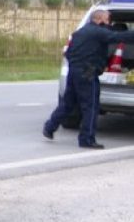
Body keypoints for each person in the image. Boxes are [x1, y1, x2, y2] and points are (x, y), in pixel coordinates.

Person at [43, 9, 134, 149]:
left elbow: (68, 53)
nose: (109, 23)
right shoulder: (98, 32)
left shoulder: (79, 32)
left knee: (68, 104)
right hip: (87, 74)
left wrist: (78, 65)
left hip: (74, 72)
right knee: (91, 106)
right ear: (99, 19)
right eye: (107, 20)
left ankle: (49, 127)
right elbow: (116, 37)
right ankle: (87, 139)